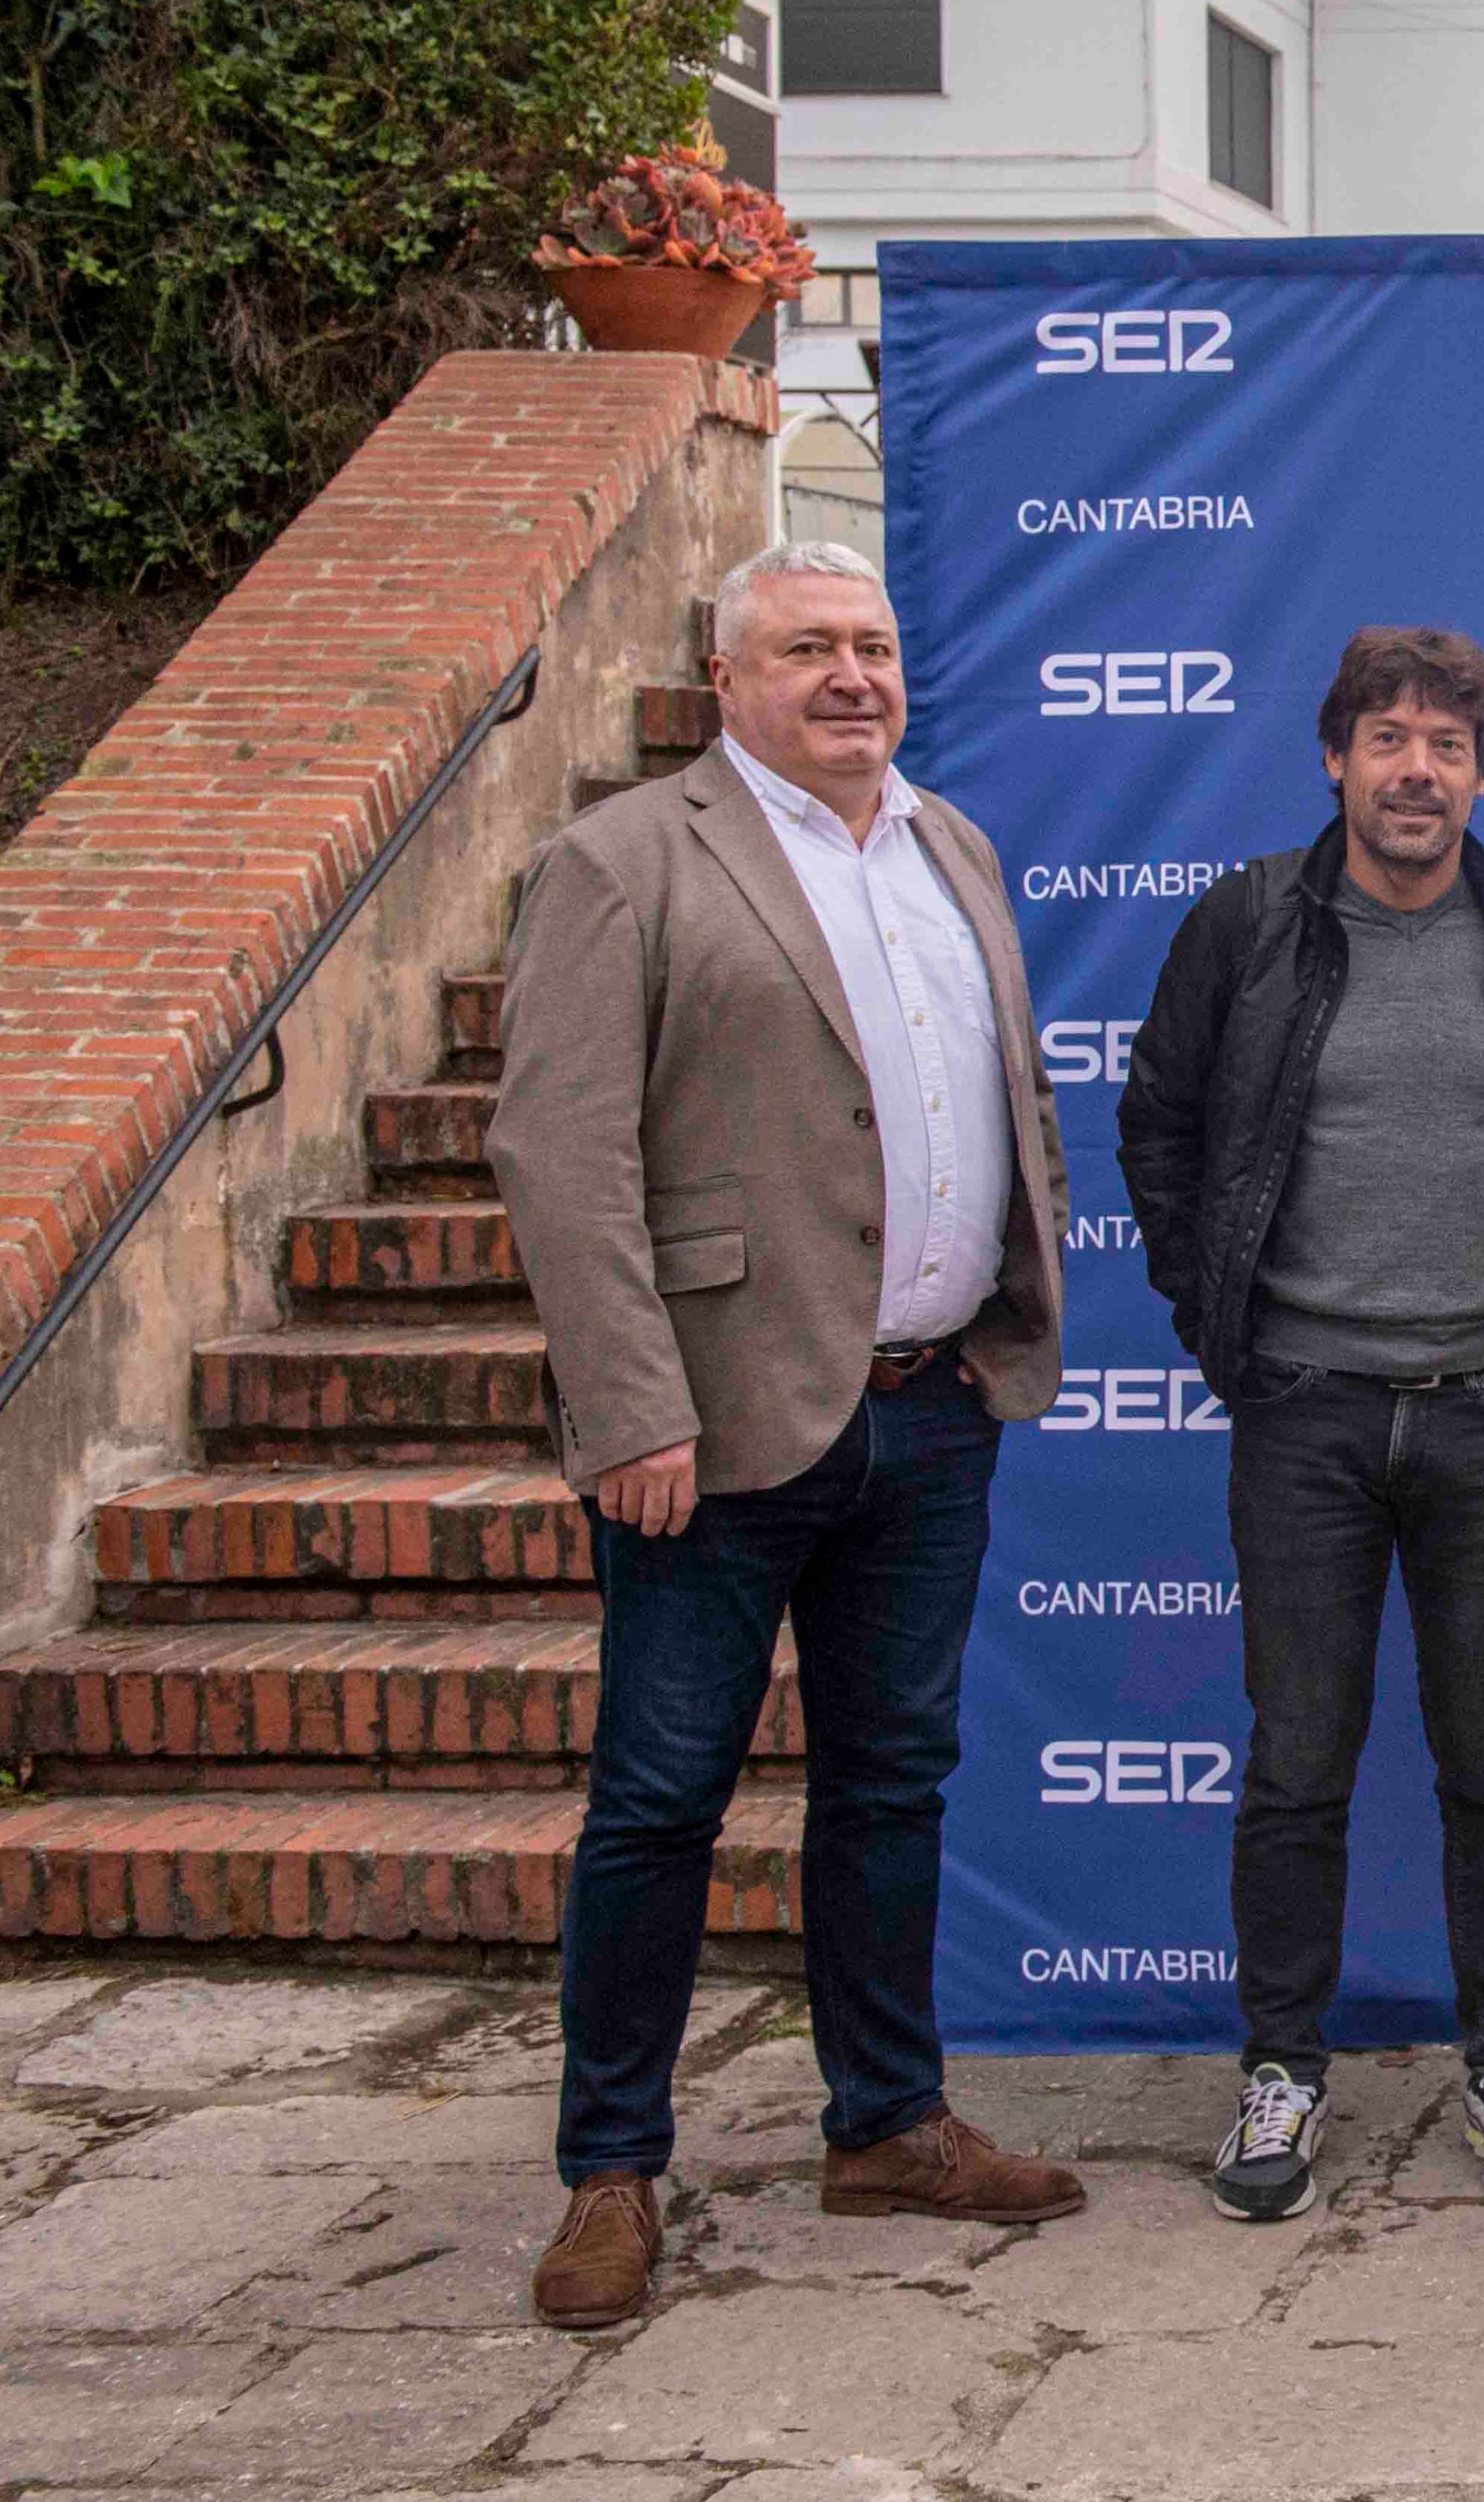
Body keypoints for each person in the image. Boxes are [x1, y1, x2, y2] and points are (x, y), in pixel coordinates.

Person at [490, 539, 1082, 2329]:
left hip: (928, 1405)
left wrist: (997, 1323)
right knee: (659, 1799)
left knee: (893, 1782)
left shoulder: (949, 843)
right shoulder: (623, 859)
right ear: (726, 678)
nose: (852, 675)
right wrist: (628, 1403)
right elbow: (559, 1145)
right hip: (718, 1419)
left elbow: (993, 1096)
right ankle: (612, 2169)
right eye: (808, 647)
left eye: (875, 644)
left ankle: (886, 2120)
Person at [1116, 627, 1484, 2222]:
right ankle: (1281, 2075)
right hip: (1307, 1417)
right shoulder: (1251, 922)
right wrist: (1221, 1325)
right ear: (1335, 759)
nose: (1416, 769)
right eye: (1387, 738)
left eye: (1447, 744)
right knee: (1299, 1760)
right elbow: (1160, 1124)